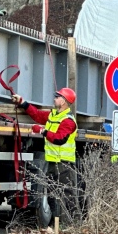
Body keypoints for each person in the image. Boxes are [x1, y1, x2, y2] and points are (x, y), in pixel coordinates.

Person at [11, 87, 77, 221]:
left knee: (68, 197)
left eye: (57, 97)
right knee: (52, 196)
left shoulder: (68, 120)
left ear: (63, 101)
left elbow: (59, 139)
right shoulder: (53, 115)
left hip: (64, 164)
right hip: (52, 162)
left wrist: (42, 131)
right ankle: (56, 225)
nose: (55, 99)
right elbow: (36, 114)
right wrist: (22, 102)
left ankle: (73, 226)